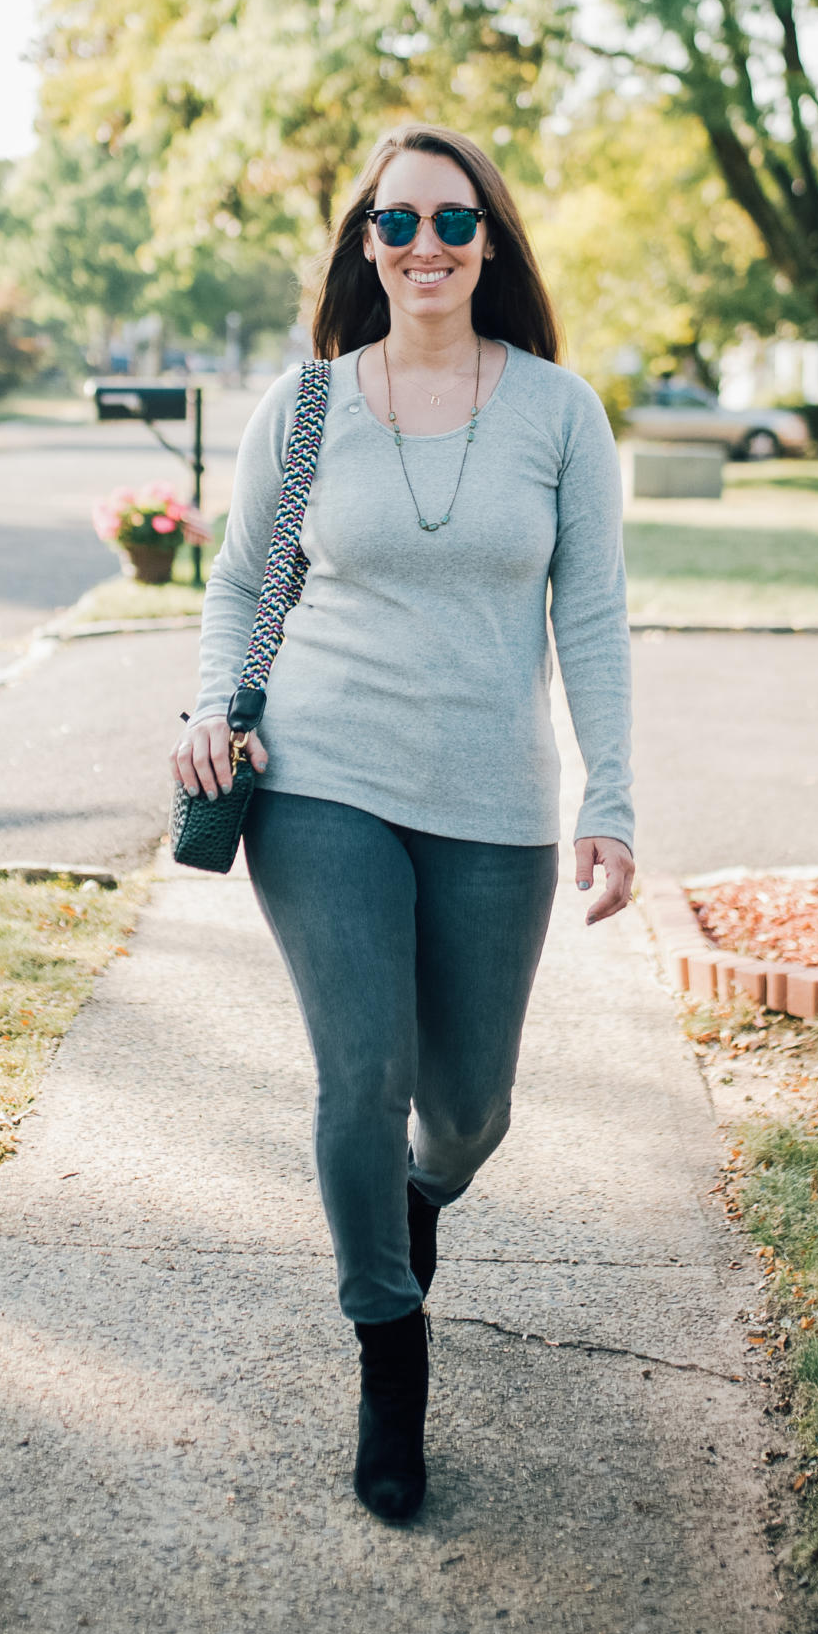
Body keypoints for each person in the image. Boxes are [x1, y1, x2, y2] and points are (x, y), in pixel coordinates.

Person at [173, 123, 635, 1523]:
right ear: (362, 247)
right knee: (359, 1077)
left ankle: (417, 1203)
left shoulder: (560, 411)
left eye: (452, 223)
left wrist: (609, 793)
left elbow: (595, 615)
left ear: (490, 241)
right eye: (396, 225)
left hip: (494, 797)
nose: (423, 247)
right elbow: (244, 581)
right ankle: (390, 1349)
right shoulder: (305, 407)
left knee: (470, 1111)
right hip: (322, 779)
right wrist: (211, 707)